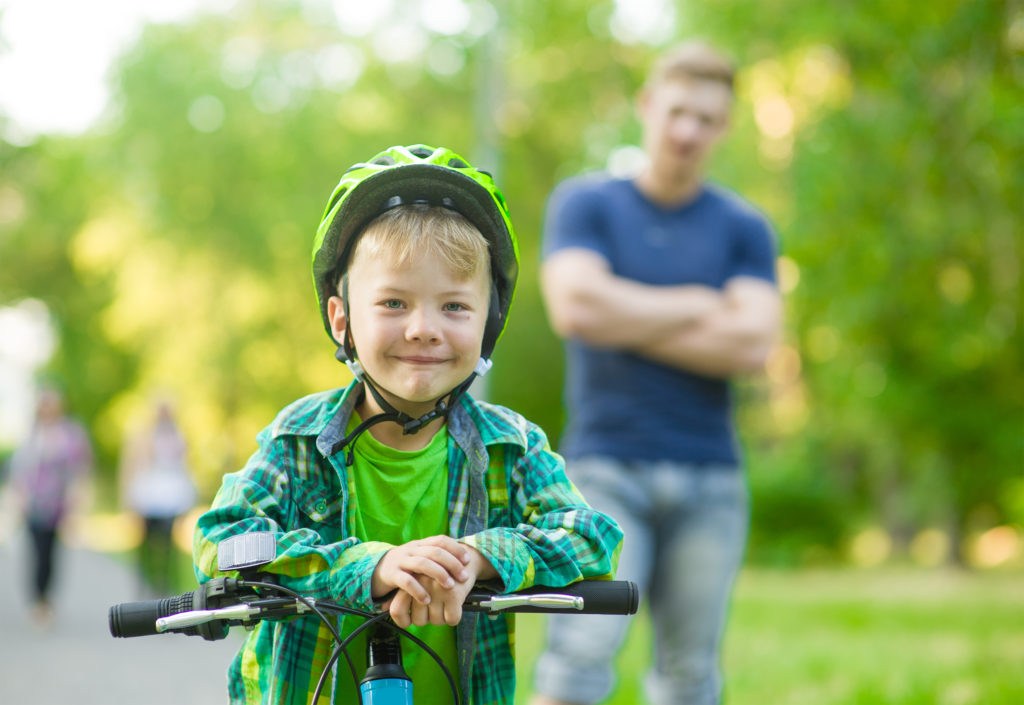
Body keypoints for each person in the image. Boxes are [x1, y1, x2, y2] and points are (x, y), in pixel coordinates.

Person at [192, 144, 624, 705]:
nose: (423, 328)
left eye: (454, 307)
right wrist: (366, 567)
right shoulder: (295, 440)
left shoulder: (511, 447)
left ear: (489, 321)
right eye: (394, 303)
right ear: (342, 319)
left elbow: (595, 537)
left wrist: (485, 557)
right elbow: (220, 541)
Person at [529, 41, 783, 705]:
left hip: (711, 479)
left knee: (690, 673)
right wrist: (700, 304)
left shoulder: (744, 227)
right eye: (677, 111)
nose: (688, 131)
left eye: (707, 119)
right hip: (606, 468)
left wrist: (627, 309)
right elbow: (576, 306)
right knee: (580, 650)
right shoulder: (586, 204)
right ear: (647, 106)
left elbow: (755, 342)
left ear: (723, 127)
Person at [8, 386, 94, 625]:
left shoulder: (71, 434)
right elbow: (19, 469)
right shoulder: (32, 434)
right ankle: (37, 599)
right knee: (36, 553)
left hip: (58, 505)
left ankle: (46, 599)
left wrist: (77, 502)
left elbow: (79, 469)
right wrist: (17, 498)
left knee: (51, 554)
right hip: (32, 504)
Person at [119, 395, 196, 595]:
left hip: (171, 498)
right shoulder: (145, 435)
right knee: (144, 543)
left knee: (168, 545)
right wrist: (129, 497)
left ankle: (164, 582)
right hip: (147, 496)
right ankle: (144, 581)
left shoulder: (179, 436)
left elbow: (184, 468)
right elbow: (132, 465)